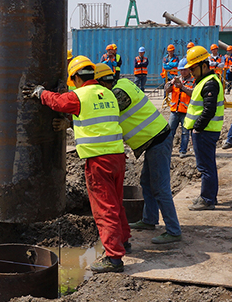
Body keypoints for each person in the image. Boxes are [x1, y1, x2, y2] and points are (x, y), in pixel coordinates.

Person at [23, 56, 128, 273]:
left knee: (104, 208)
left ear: (77, 77)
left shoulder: (80, 95)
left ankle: (114, 258)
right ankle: (123, 241)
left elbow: (59, 102)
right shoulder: (107, 93)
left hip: (98, 160)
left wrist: (40, 92)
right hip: (117, 156)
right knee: (116, 203)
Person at [95, 63, 182, 245]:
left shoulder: (119, 94)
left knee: (160, 186)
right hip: (154, 139)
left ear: (103, 83)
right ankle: (149, 220)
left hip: (157, 140)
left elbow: (101, 113)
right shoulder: (123, 84)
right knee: (146, 182)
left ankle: (173, 230)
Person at [183, 46, 224, 211]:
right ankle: (209, 196)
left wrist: (197, 128)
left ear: (204, 66)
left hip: (205, 131)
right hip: (206, 131)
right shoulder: (205, 82)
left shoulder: (210, 83)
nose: (191, 72)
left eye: (193, 68)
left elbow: (209, 110)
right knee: (208, 165)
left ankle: (207, 199)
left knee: (205, 166)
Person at [165, 58, 194, 158]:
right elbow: (167, 90)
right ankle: (168, 151)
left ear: (189, 69)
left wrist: (182, 87)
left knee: (185, 133)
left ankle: (183, 151)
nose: (182, 72)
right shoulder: (176, 79)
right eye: (181, 70)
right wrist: (170, 83)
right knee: (170, 132)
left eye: (184, 69)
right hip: (174, 111)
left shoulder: (193, 81)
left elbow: (193, 93)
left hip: (186, 111)